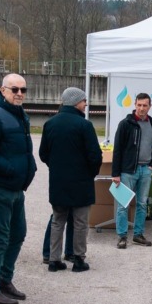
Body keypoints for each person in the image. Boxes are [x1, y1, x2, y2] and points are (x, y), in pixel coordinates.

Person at [0, 74, 36, 304]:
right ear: (3, 91)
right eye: (15, 89)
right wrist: (9, 168)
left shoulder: (20, 115)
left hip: (16, 187)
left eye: (23, 89)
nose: (19, 93)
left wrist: (29, 169)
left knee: (18, 234)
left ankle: (4, 280)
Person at [39, 87, 103, 273]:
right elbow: (95, 155)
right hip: (81, 182)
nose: (85, 104)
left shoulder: (50, 124)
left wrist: (57, 167)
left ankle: (53, 260)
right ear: (76, 102)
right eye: (84, 101)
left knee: (58, 220)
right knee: (80, 222)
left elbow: (43, 153)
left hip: (58, 181)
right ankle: (78, 259)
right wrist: (89, 173)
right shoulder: (84, 125)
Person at [111, 92, 152, 248]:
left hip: (146, 170)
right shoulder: (125, 123)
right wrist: (116, 173)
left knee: (141, 204)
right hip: (128, 171)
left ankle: (138, 235)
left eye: (144, 105)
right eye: (139, 105)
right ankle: (122, 236)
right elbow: (117, 149)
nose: (141, 108)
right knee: (123, 205)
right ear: (135, 105)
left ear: (150, 106)